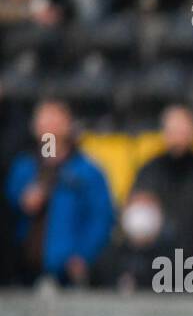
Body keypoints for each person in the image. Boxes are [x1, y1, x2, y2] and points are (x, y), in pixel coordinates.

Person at [5, 99, 114, 286]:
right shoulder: (24, 168)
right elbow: (10, 207)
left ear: (68, 124)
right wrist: (21, 200)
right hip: (22, 270)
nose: (49, 127)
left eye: (55, 120)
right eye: (44, 120)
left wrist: (83, 254)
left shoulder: (87, 171)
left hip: (67, 271)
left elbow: (101, 217)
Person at [131, 104, 193, 261]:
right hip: (155, 264)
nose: (178, 136)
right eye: (173, 130)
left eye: (183, 130)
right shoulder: (150, 170)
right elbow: (135, 216)